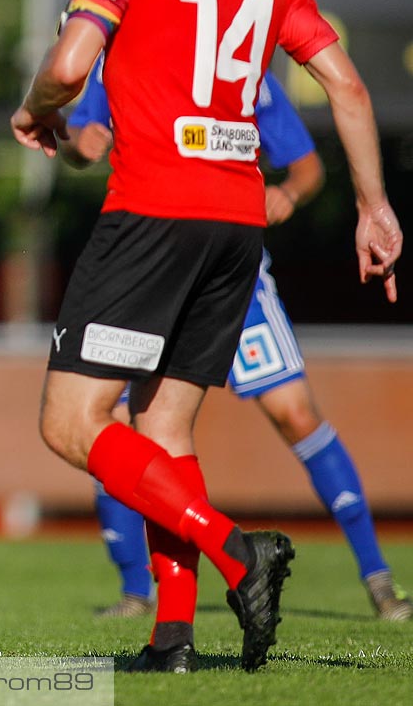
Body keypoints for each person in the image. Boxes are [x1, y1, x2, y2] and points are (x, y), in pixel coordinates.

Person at [12, 0, 400, 674]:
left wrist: (36, 109)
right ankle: (174, 640)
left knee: (72, 423)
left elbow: (73, 64)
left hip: (154, 208)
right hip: (237, 226)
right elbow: (347, 85)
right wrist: (375, 208)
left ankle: (234, 551)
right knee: (165, 430)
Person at [65, 62, 411, 623]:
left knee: (296, 414)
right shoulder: (119, 61)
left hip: (231, 269)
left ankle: (378, 581)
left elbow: (306, 168)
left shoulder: (238, 67)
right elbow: (83, 139)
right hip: (152, 263)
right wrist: (78, 137)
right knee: (124, 423)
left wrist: (289, 195)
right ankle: (138, 591)